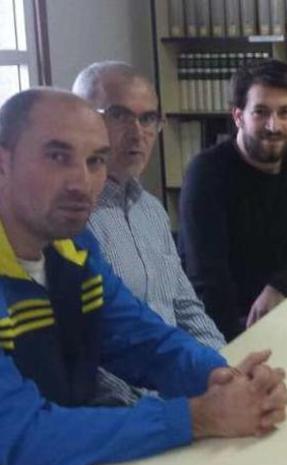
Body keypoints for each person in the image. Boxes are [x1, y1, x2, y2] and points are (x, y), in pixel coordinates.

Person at [0, 88, 287, 465]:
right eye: (57, 156)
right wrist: (196, 417)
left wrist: (221, 377)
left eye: (95, 160)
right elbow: (22, 437)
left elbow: (143, 340)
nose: (81, 182)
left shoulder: (75, 248)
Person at [72, 61, 226, 406]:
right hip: (135, 408)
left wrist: (227, 369)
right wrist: (168, 408)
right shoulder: (72, 225)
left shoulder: (152, 211)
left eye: (148, 119)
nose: (137, 132)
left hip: (182, 384)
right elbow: (92, 354)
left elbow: (186, 309)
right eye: (119, 115)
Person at [179, 59, 287, 340]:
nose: (274, 125)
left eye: (284, 113)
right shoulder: (206, 172)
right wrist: (235, 345)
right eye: (261, 112)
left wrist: (279, 286)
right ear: (238, 116)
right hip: (230, 321)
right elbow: (207, 277)